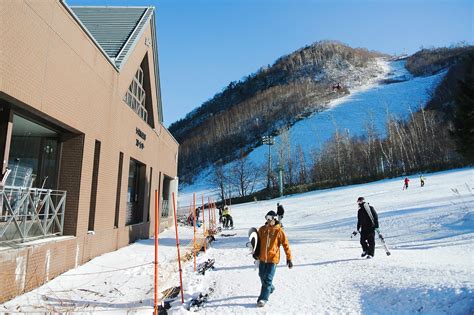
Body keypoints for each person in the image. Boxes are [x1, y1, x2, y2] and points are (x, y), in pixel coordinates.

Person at [256, 210, 293, 307]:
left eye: (269, 218)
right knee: (261, 275)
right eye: (266, 218)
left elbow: (286, 245)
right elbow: (257, 243)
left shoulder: (279, 231)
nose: (267, 220)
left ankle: (263, 299)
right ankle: (270, 288)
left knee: (267, 279)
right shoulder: (262, 229)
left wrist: (289, 258)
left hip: (273, 259)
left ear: (274, 218)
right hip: (263, 258)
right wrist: (255, 252)